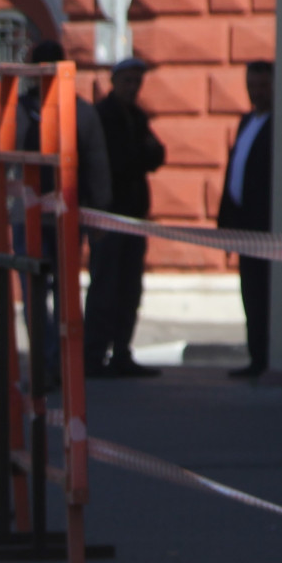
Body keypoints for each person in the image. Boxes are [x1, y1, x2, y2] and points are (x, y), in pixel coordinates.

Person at [19, 39, 113, 383]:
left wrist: (99, 213)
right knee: (36, 291)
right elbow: (0, 157)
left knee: (62, 293)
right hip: (30, 219)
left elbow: (95, 162)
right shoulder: (22, 109)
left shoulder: (80, 112)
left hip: (64, 219)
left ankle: (59, 363)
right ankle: (47, 362)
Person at [84, 57, 167, 378]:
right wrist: (139, 156)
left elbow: (157, 153)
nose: (133, 87)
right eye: (128, 81)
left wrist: (141, 155)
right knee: (105, 287)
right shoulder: (102, 116)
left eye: (137, 81)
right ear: (114, 81)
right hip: (108, 216)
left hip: (134, 214)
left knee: (129, 288)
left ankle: (121, 351)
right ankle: (94, 355)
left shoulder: (136, 116)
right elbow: (118, 160)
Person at [218, 60, 274, 379]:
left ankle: (265, 357)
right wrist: (226, 222)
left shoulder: (278, 124)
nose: (256, 92)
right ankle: (255, 355)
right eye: (252, 85)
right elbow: (234, 171)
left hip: (265, 227)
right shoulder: (245, 121)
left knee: (263, 293)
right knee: (249, 293)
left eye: (263, 86)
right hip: (243, 226)